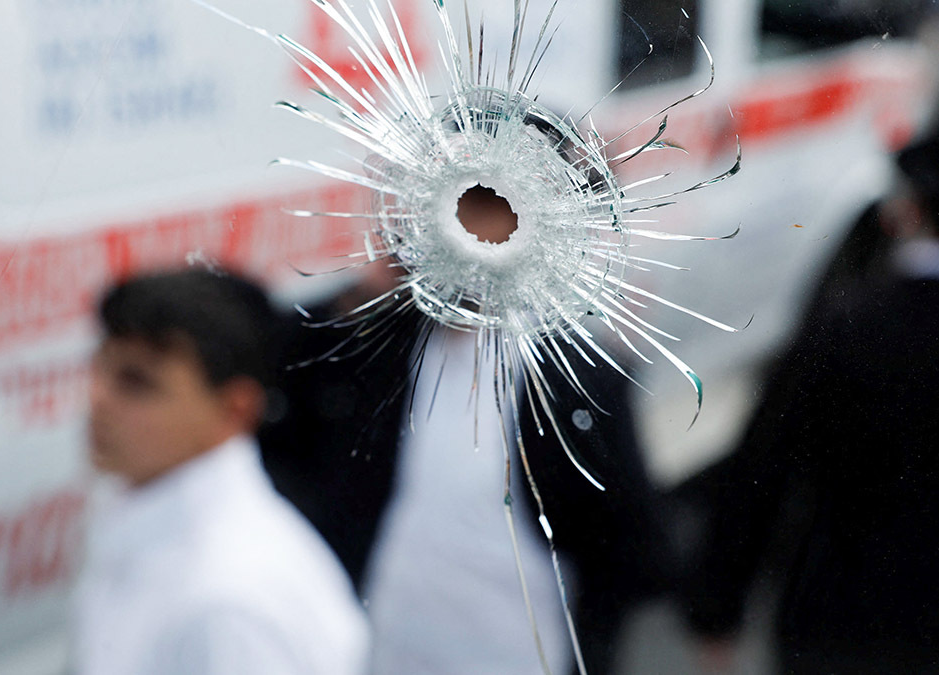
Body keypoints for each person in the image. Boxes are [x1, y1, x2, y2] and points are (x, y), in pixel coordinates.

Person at [681, 89, 939, 673]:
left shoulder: (841, 330)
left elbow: (760, 472)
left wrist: (717, 612)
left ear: (911, 207)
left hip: (830, 631)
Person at [263, 185, 672, 675]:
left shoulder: (572, 380)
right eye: (452, 223)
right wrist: (360, 296)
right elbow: (279, 394)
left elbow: (635, 545)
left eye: (491, 225)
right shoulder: (382, 348)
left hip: (518, 654)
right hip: (382, 647)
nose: (468, 248)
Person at [74, 268, 369, 675]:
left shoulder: (229, 601)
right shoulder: (143, 516)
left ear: (236, 409)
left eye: (137, 382)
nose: (98, 398)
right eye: (100, 368)